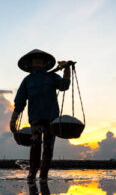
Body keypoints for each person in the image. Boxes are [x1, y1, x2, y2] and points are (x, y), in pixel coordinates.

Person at [9, 49, 73, 182]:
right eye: (35, 58)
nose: (38, 60)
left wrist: (66, 69)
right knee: (35, 145)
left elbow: (64, 86)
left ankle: (44, 174)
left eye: (41, 59)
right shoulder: (27, 81)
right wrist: (13, 119)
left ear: (45, 63)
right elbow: (20, 101)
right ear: (31, 63)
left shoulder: (52, 77)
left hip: (51, 119)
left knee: (48, 147)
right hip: (36, 119)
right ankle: (32, 173)